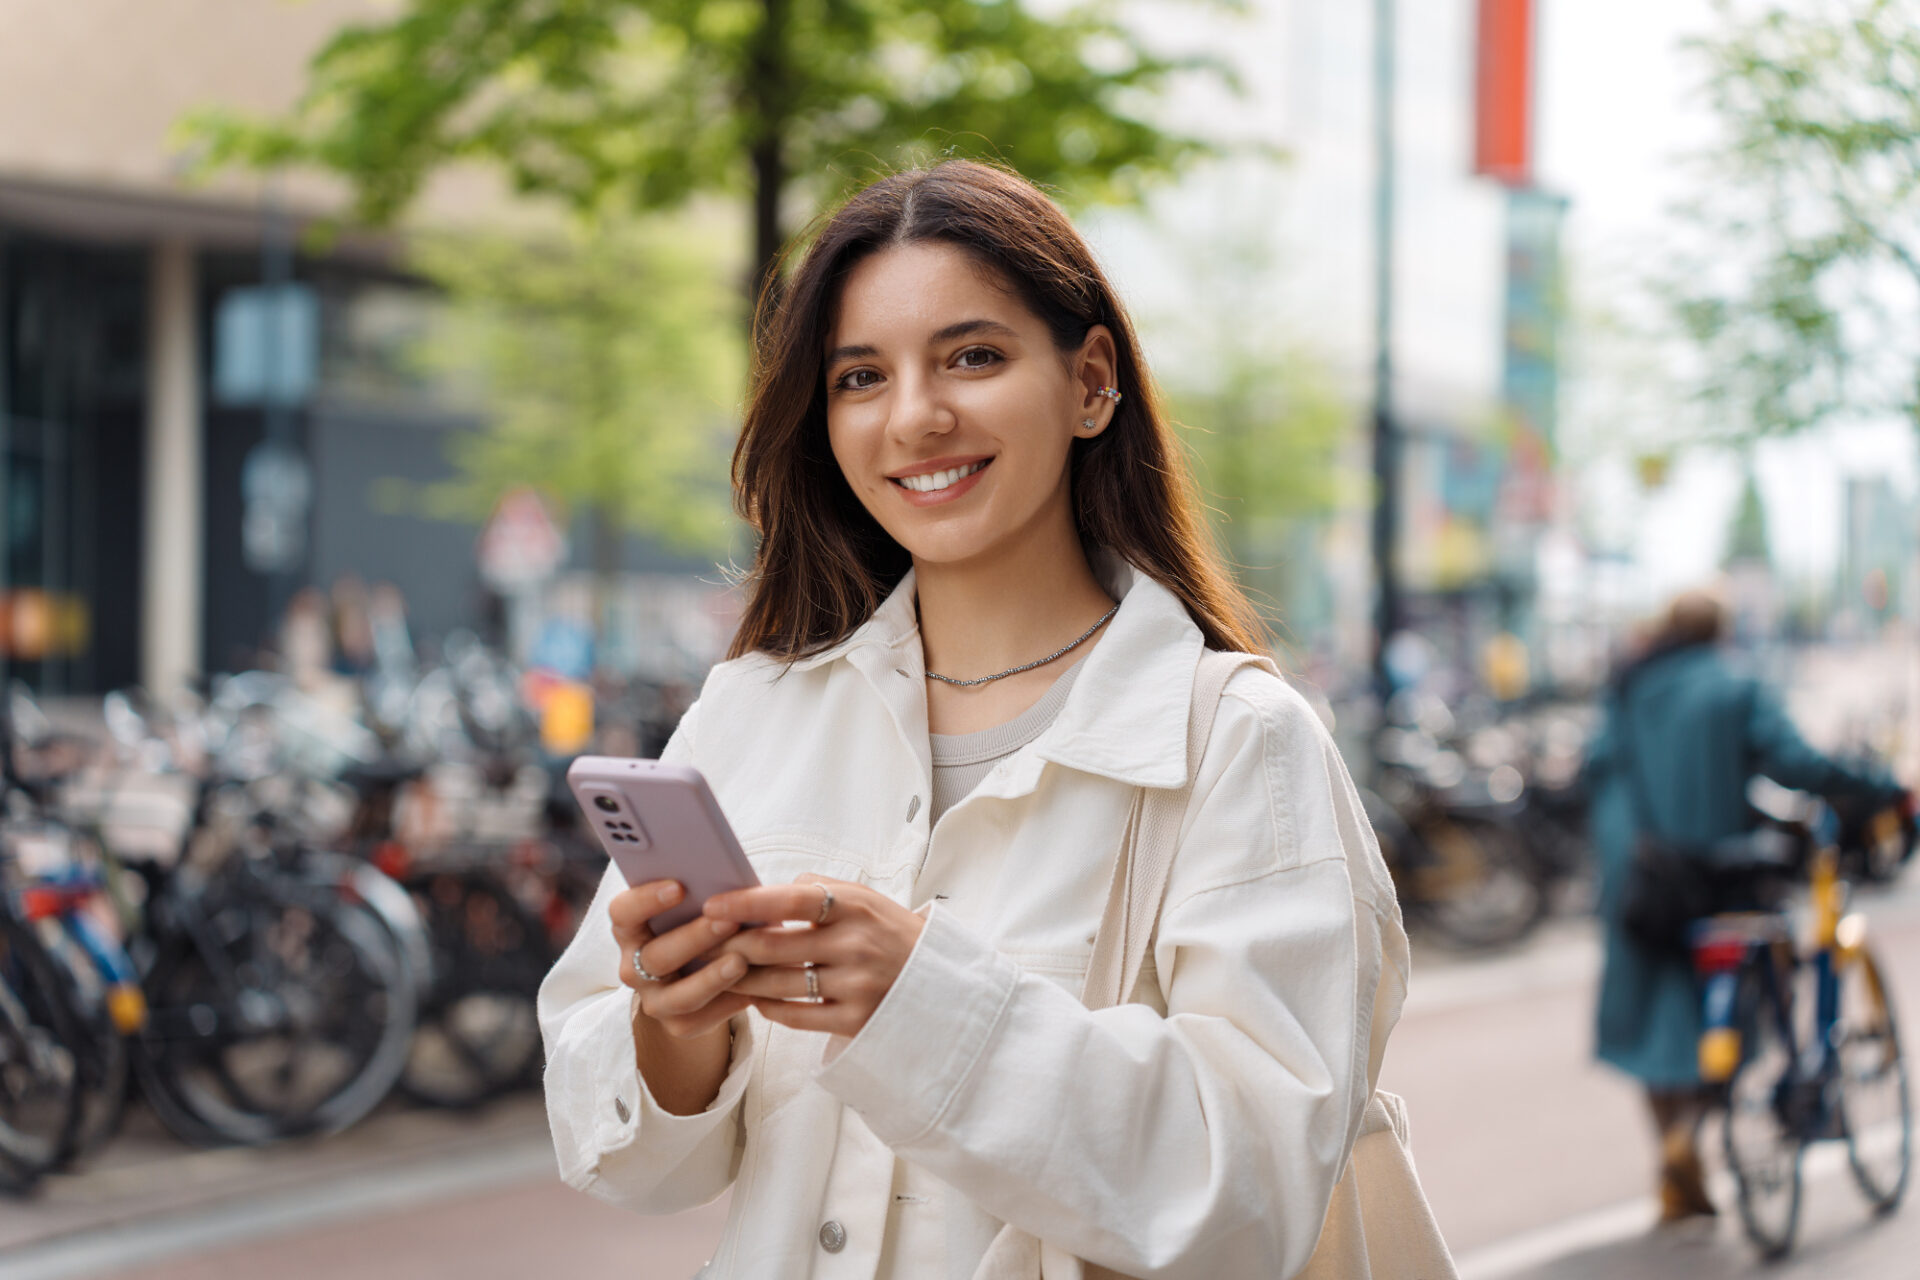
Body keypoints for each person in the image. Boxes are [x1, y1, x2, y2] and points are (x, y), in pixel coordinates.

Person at [538, 161, 1408, 1277]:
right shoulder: (753, 714)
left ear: (1092, 380)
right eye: (860, 376)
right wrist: (675, 1023)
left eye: (973, 356)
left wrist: (927, 999)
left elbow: (1254, 1194)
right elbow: (627, 1156)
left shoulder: (1238, 741)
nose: (915, 416)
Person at [1586, 588, 1911, 1224]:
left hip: (1639, 884)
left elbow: (1596, 771)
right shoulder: (1735, 686)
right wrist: (1882, 787)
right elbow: (1796, 763)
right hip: (1717, 878)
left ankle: (1676, 1167)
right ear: (1722, 631)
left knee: (1655, 1023)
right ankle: (1692, 1139)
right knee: (1739, 1008)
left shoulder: (1629, 686)